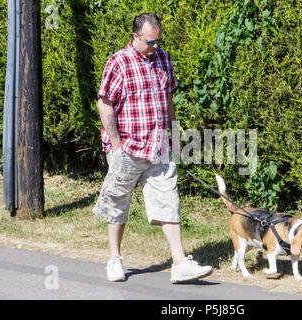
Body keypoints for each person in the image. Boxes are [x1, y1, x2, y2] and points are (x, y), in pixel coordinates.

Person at [92, 13, 213, 283]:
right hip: (127, 147)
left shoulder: (163, 58)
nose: (155, 46)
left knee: (169, 202)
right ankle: (114, 260)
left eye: (158, 40)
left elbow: (168, 96)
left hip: (158, 146)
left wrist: (174, 134)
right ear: (135, 37)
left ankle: (180, 263)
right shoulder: (118, 62)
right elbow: (105, 104)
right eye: (150, 41)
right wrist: (115, 145)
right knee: (118, 204)